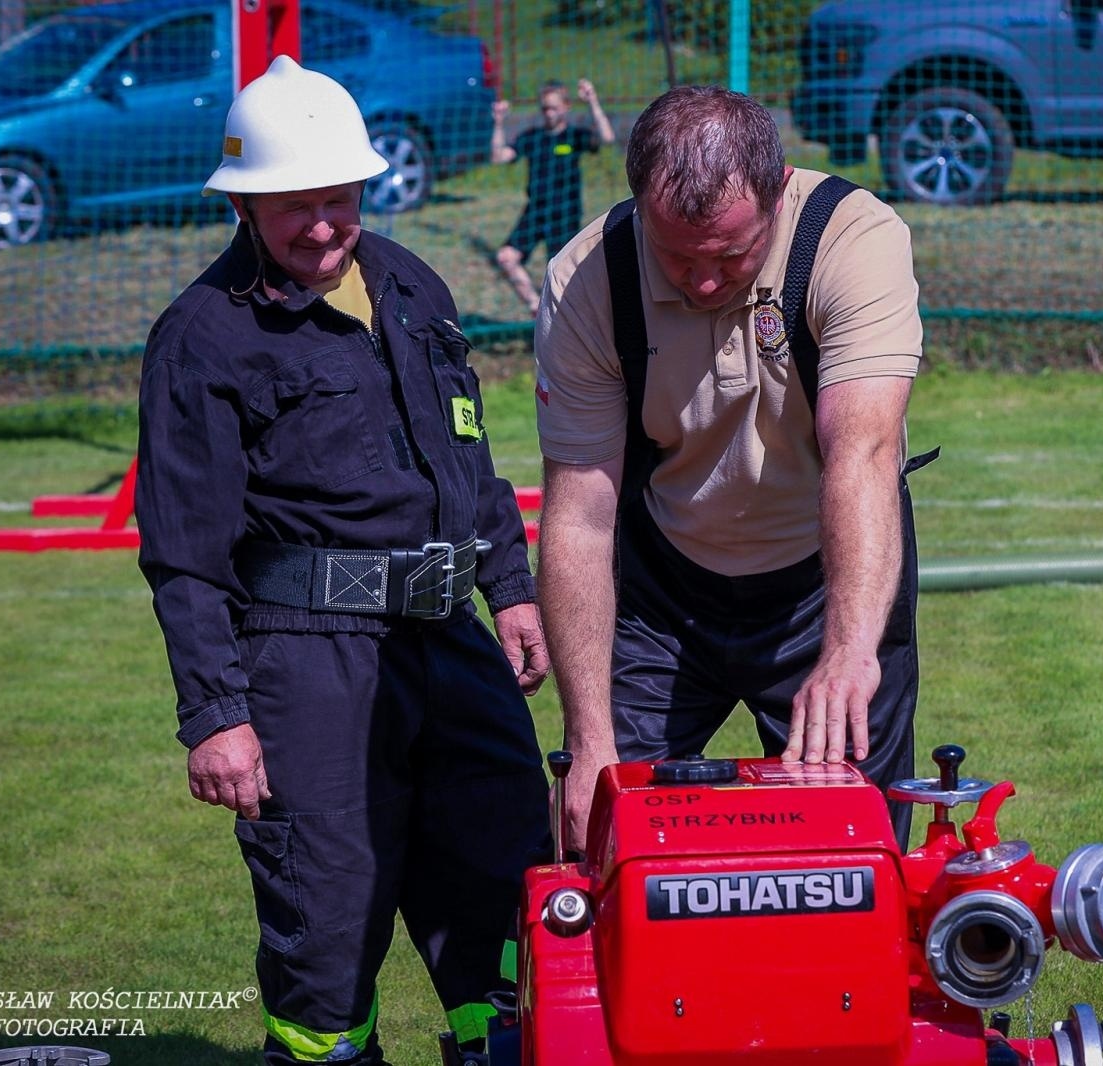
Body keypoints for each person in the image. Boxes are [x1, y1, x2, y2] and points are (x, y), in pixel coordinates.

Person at [135, 56, 549, 1066]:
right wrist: (218, 715)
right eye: (293, 207)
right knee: (327, 922)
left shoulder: (411, 282)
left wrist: (511, 588)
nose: (321, 226)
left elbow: (469, 458)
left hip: (451, 645)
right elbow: (184, 556)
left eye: (337, 199)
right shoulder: (202, 337)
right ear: (244, 202)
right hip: (307, 663)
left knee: (512, 896)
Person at [533, 85, 931, 849]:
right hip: (661, 596)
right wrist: (589, 742)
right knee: (605, 843)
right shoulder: (587, 278)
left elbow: (864, 455)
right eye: (676, 256)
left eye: (729, 254)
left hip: (825, 585)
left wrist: (848, 654)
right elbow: (580, 515)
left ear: (780, 193)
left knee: (854, 853)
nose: (705, 281)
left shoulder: (854, 239)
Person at [490, 78, 615, 315]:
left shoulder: (573, 136)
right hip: (536, 211)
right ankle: (536, 307)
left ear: (566, 106)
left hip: (564, 214)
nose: (548, 113)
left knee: (562, 276)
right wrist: (498, 122)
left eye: (554, 108)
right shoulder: (532, 137)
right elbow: (499, 156)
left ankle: (569, 324)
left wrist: (592, 103)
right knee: (506, 258)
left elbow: (606, 138)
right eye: (545, 108)